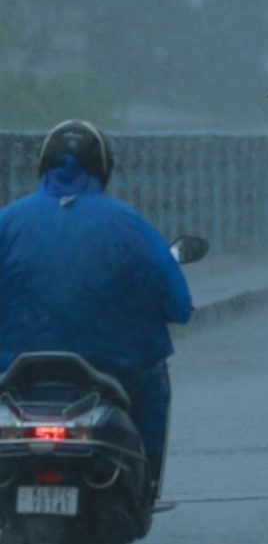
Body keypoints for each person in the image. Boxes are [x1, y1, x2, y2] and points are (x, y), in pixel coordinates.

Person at [0, 120, 192, 503]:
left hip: (14, 365)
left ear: (41, 164)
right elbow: (179, 305)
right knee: (153, 384)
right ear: (103, 168)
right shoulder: (127, 224)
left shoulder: (9, 221)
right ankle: (144, 486)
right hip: (115, 365)